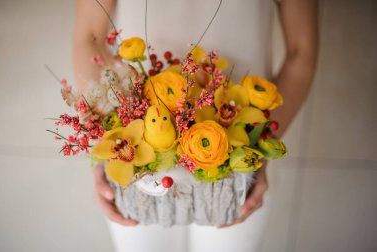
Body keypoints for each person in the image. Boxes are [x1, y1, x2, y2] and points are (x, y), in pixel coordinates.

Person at [73, 0, 318, 251]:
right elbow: (88, 37)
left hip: (239, 152)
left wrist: (263, 143)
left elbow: (301, 50)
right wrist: (105, 144)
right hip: (137, 159)